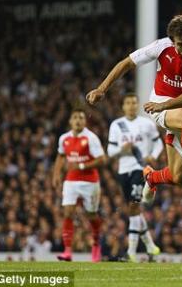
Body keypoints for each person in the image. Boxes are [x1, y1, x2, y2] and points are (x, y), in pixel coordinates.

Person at [86, 15, 182, 204]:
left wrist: (165, 106)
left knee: (179, 178)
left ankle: (152, 178)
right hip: (161, 103)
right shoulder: (161, 46)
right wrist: (101, 89)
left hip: (176, 108)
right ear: (172, 42)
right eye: (180, 45)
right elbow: (126, 63)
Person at [107, 93, 163, 262]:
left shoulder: (146, 124)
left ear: (137, 105)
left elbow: (158, 142)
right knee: (134, 210)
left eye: (134, 102)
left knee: (133, 207)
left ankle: (131, 252)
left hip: (140, 169)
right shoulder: (116, 125)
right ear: (123, 106)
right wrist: (122, 150)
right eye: (128, 103)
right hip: (123, 171)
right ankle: (151, 246)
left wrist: (153, 155)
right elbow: (110, 152)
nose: (131, 105)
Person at [52, 108, 107, 262]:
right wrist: (56, 175)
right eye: (75, 117)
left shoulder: (91, 138)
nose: (78, 120)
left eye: (81, 118)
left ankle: (96, 244)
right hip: (71, 181)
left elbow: (102, 159)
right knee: (68, 212)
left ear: (85, 121)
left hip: (90, 182)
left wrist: (82, 166)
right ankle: (67, 251)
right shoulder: (64, 138)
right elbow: (61, 156)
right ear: (70, 121)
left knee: (91, 215)